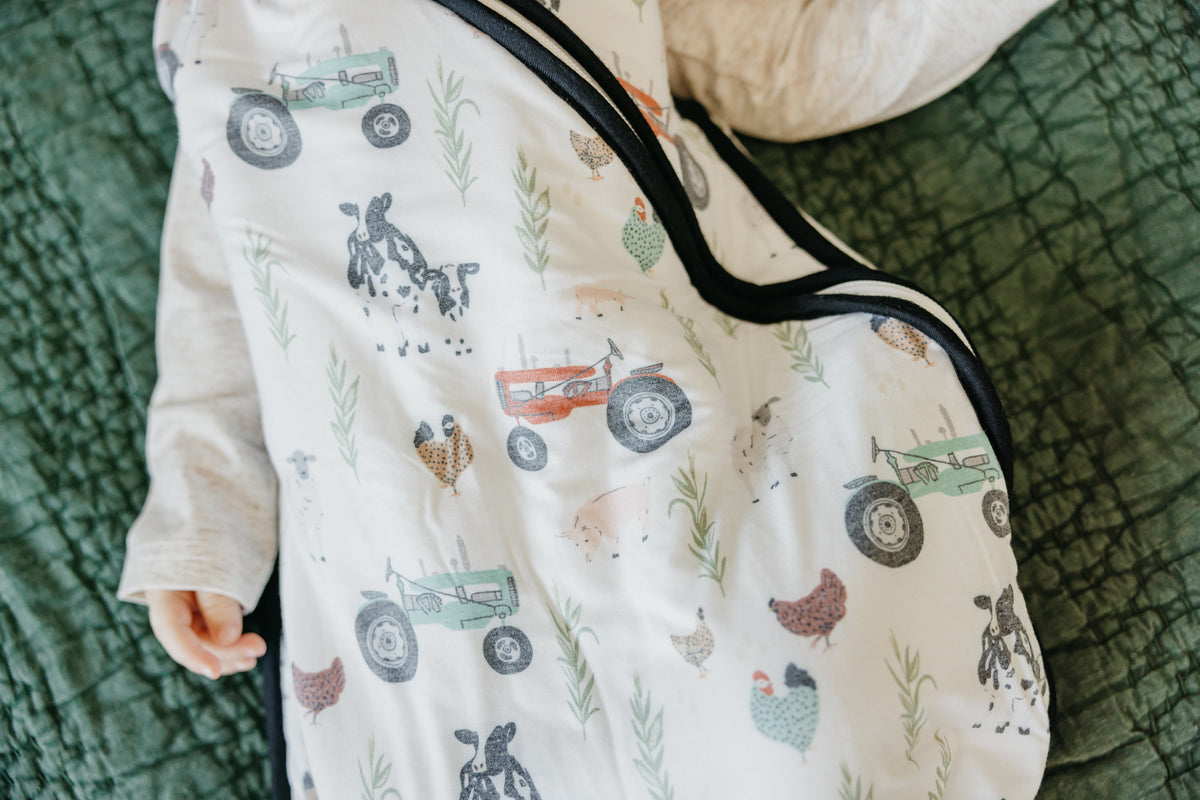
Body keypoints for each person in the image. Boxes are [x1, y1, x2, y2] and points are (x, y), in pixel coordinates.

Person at [121, 0, 1055, 796]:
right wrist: (203, 518)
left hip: (631, 377)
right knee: (446, 715)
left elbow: (798, 62)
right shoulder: (217, 28)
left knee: (778, 705)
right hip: (398, 446)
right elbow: (231, 285)